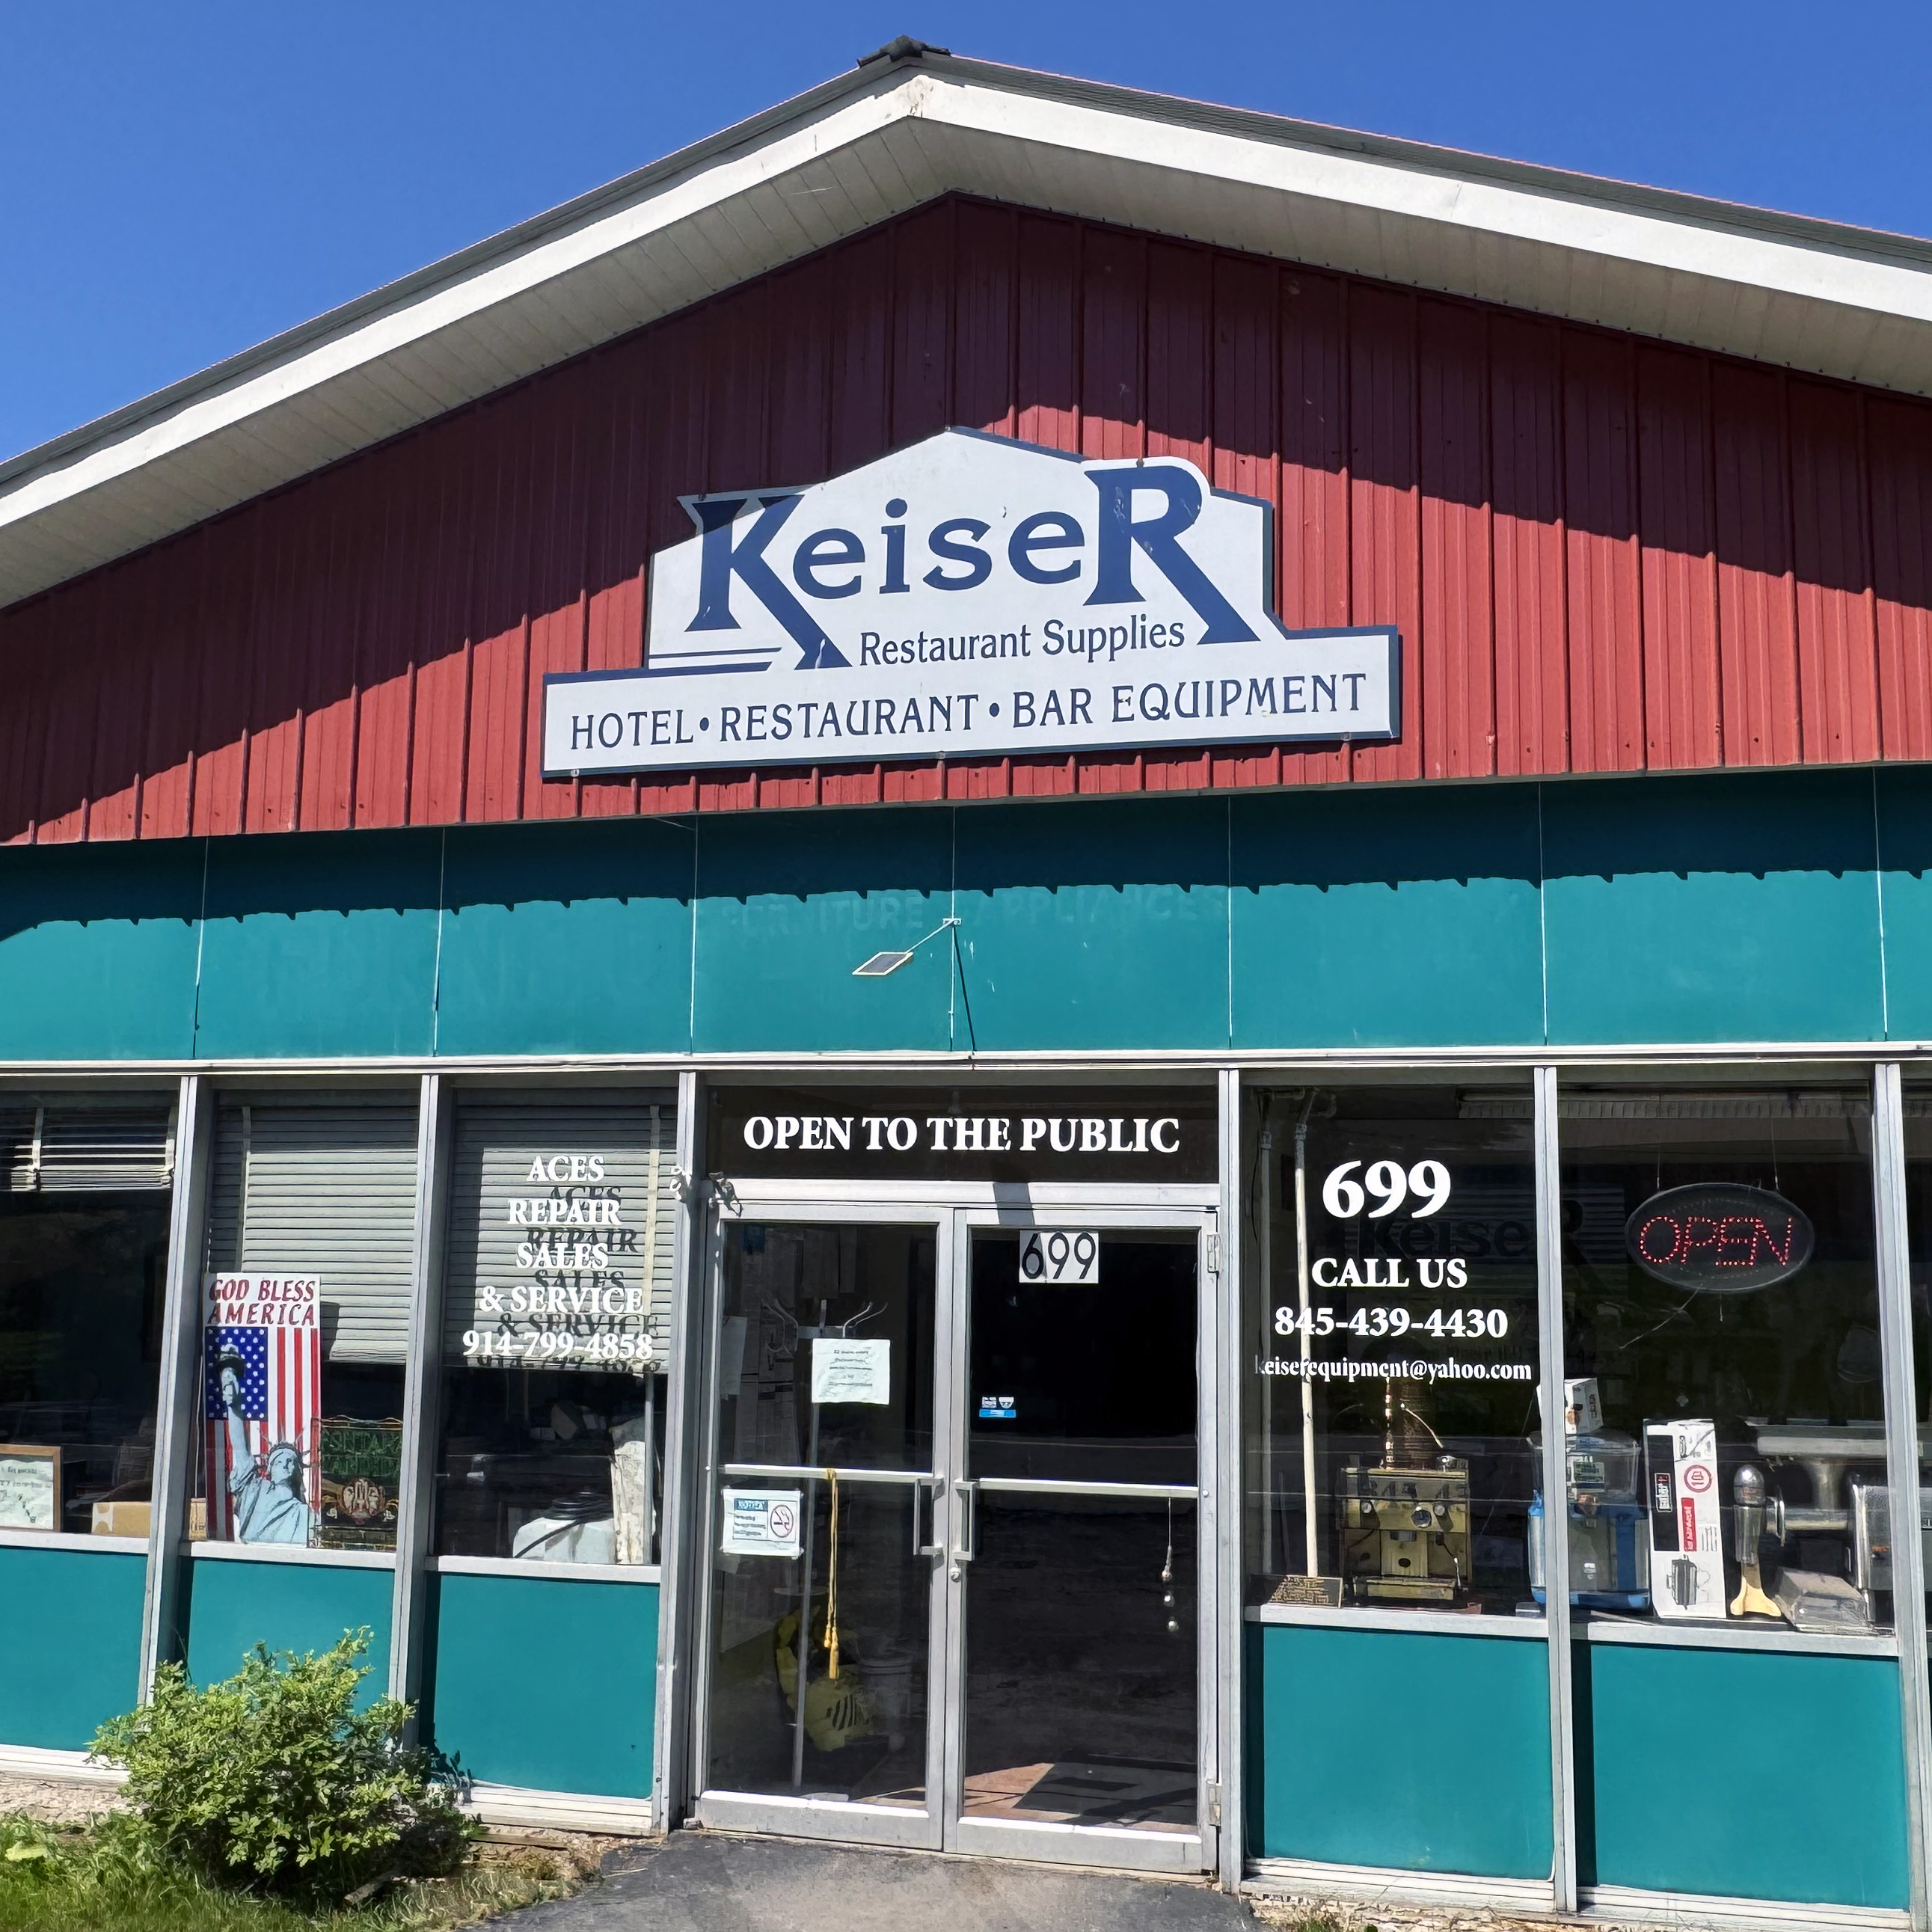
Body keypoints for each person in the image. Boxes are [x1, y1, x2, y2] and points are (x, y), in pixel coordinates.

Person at [216, 1343, 314, 1546]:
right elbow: (240, 1446)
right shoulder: (255, 1491)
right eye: (279, 1461)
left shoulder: (304, 1514)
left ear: (298, 1471)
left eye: (291, 1462)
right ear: (269, 1469)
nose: (286, 1465)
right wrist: (234, 1404)